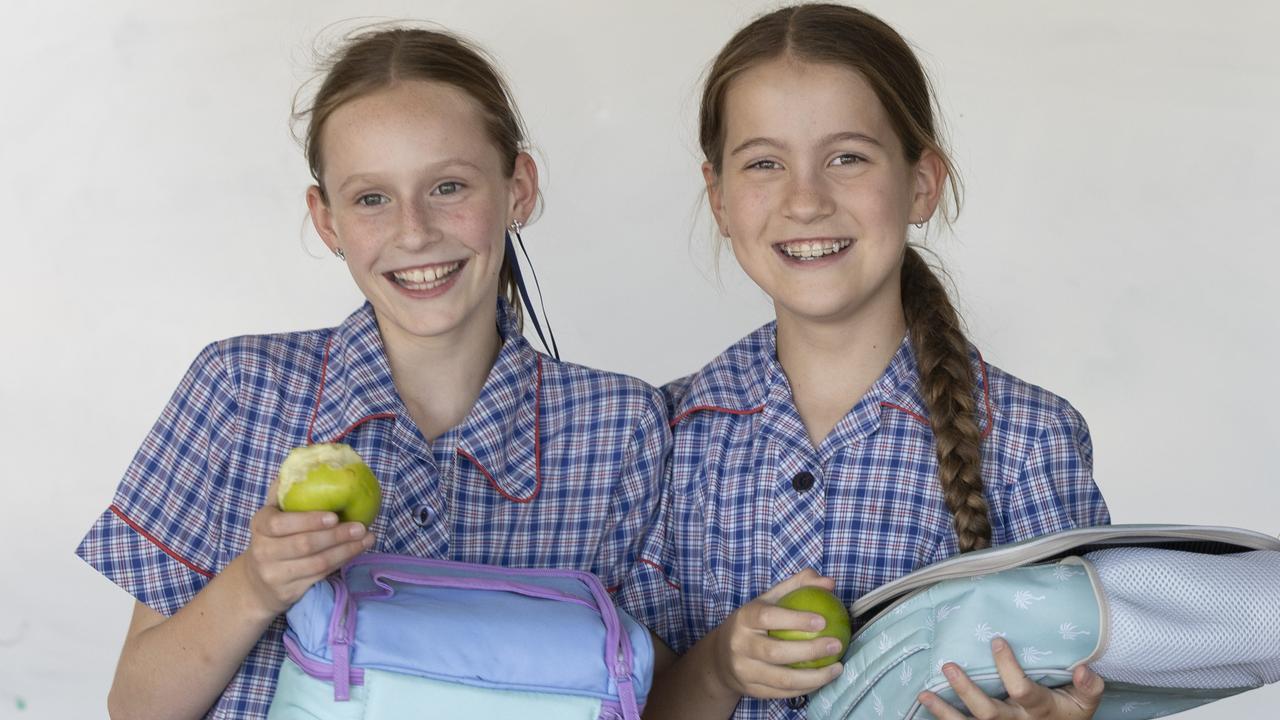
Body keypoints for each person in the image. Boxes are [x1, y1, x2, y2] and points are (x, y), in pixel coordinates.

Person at [75, 26, 668, 719]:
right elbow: (137, 707)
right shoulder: (238, 389)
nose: (414, 231)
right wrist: (257, 584)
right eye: (371, 199)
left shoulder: (622, 427)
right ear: (326, 221)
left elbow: (647, 696)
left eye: (448, 186)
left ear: (519, 189)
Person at [617, 5, 1111, 719]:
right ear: (719, 198)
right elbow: (634, 706)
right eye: (764, 163)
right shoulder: (659, 433)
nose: (806, 200)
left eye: (847, 157)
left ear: (920, 183)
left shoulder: (1031, 440)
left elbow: (1080, 685)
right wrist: (721, 665)